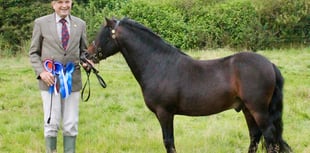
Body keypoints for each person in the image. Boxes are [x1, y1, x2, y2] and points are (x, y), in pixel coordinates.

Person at [29, 0, 91, 152]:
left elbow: (83, 52)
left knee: (71, 123)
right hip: (50, 82)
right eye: (60, 2)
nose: (64, 5)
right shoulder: (41, 23)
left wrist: (86, 62)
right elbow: (33, 53)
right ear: (53, 4)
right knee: (51, 123)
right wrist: (42, 72)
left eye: (67, 1)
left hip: (73, 81)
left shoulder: (80, 24)